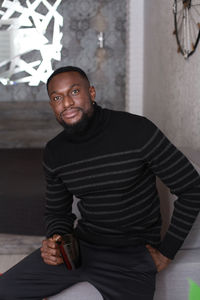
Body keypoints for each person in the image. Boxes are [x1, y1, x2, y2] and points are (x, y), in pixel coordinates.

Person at [0, 66, 200, 300]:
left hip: (132, 255)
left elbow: (192, 189)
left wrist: (167, 252)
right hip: (81, 247)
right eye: (57, 97)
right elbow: (57, 211)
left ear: (91, 93)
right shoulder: (55, 152)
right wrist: (56, 239)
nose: (66, 103)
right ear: (52, 106)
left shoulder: (137, 130)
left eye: (74, 92)